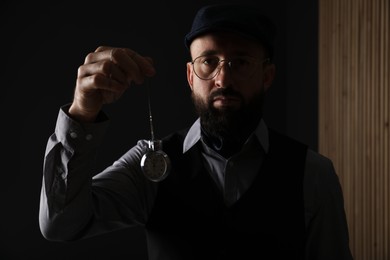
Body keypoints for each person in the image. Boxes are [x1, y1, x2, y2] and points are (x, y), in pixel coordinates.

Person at [39, 3, 354, 260]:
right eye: (209, 62)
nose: (223, 80)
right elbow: (60, 224)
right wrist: (82, 112)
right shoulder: (150, 165)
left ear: (266, 75)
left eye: (240, 62)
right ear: (191, 76)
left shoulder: (313, 175)